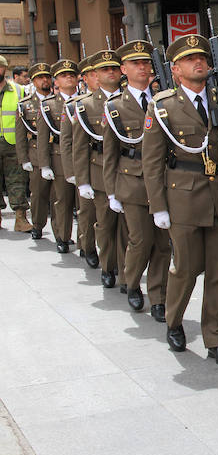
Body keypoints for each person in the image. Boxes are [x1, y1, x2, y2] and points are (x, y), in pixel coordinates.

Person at [141, 34, 218, 365]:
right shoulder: (163, 107)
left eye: (203, 57)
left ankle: (215, 336)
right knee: (185, 268)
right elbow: (152, 163)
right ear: (176, 69)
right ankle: (174, 320)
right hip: (183, 198)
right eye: (190, 59)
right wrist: (158, 207)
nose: (200, 62)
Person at [102, 40, 170, 318]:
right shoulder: (115, 106)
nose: (143, 68)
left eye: (145, 63)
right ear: (123, 70)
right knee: (140, 240)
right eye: (136, 64)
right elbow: (110, 153)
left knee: (164, 245)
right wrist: (111, 192)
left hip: (164, 181)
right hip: (132, 182)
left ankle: (158, 297)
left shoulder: (164, 100)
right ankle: (132, 283)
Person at [72, 50, 125, 289]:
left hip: (128, 170)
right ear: (94, 75)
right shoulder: (85, 106)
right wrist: (82, 181)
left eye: (114, 67)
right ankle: (108, 265)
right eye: (105, 69)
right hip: (100, 171)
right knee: (105, 224)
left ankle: (127, 274)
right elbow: (79, 147)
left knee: (129, 228)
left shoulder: (133, 100)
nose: (111, 72)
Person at [37, 59, 79, 254]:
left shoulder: (85, 101)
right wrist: (44, 165)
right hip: (59, 157)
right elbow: (43, 137)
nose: (69, 77)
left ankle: (85, 241)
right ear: (57, 81)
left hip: (84, 158)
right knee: (63, 200)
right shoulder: (49, 105)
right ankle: (62, 236)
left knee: (85, 204)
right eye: (64, 75)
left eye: (72, 74)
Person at [66, 57, 100, 268]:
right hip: (88, 165)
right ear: (85, 78)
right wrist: (75, 174)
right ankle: (87, 246)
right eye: (93, 74)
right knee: (87, 213)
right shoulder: (77, 106)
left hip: (113, 166)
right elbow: (72, 144)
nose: (98, 78)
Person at [16, 63, 56, 240]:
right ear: (33, 81)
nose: (45, 80)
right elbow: (20, 134)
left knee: (58, 197)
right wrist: (23, 158)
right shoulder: (25, 105)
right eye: (40, 78)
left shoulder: (60, 102)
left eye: (47, 77)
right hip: (36, 154)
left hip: (56, 152)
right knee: (39, 194)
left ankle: (60, 231)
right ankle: (38, 225)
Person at [0, 55, 33, 232]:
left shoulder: (18, 90)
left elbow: (29, 115)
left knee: (18, 180)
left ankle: (20, 218)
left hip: (13, 143)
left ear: (5, 69)